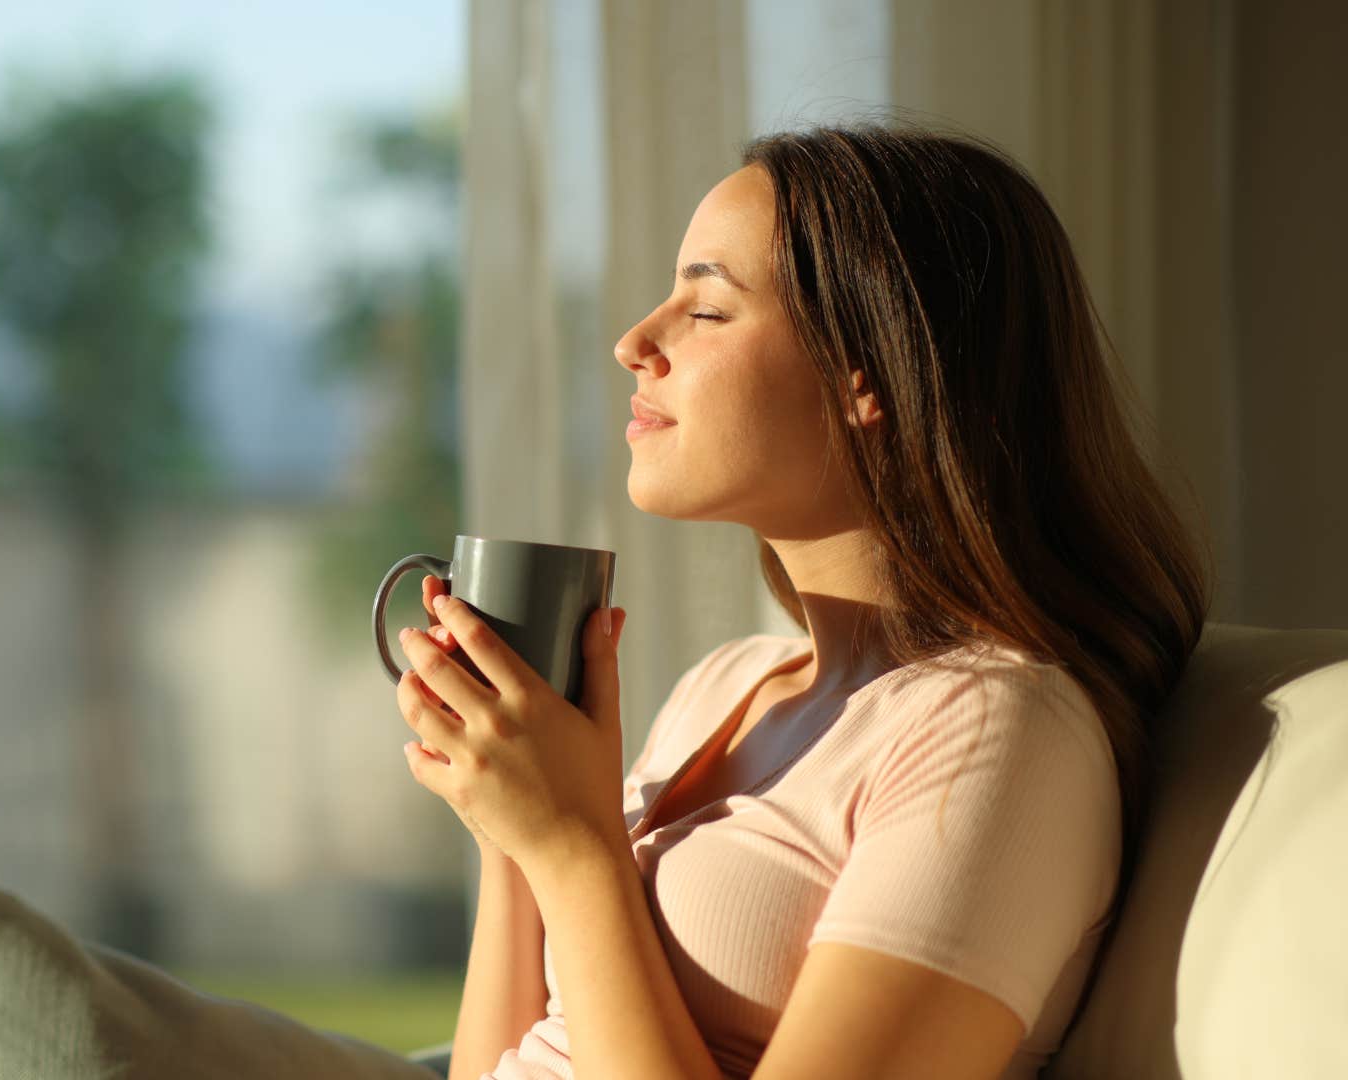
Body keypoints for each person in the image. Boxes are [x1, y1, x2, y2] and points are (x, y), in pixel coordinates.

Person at [391, 123, 1208, 1079]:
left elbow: (584, 887)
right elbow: (506, 1063)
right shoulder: (723, 686)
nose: (632, 343)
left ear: (869, 375)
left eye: (707, 309)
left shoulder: (999, 730)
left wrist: (575, 852)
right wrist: (511, 831)